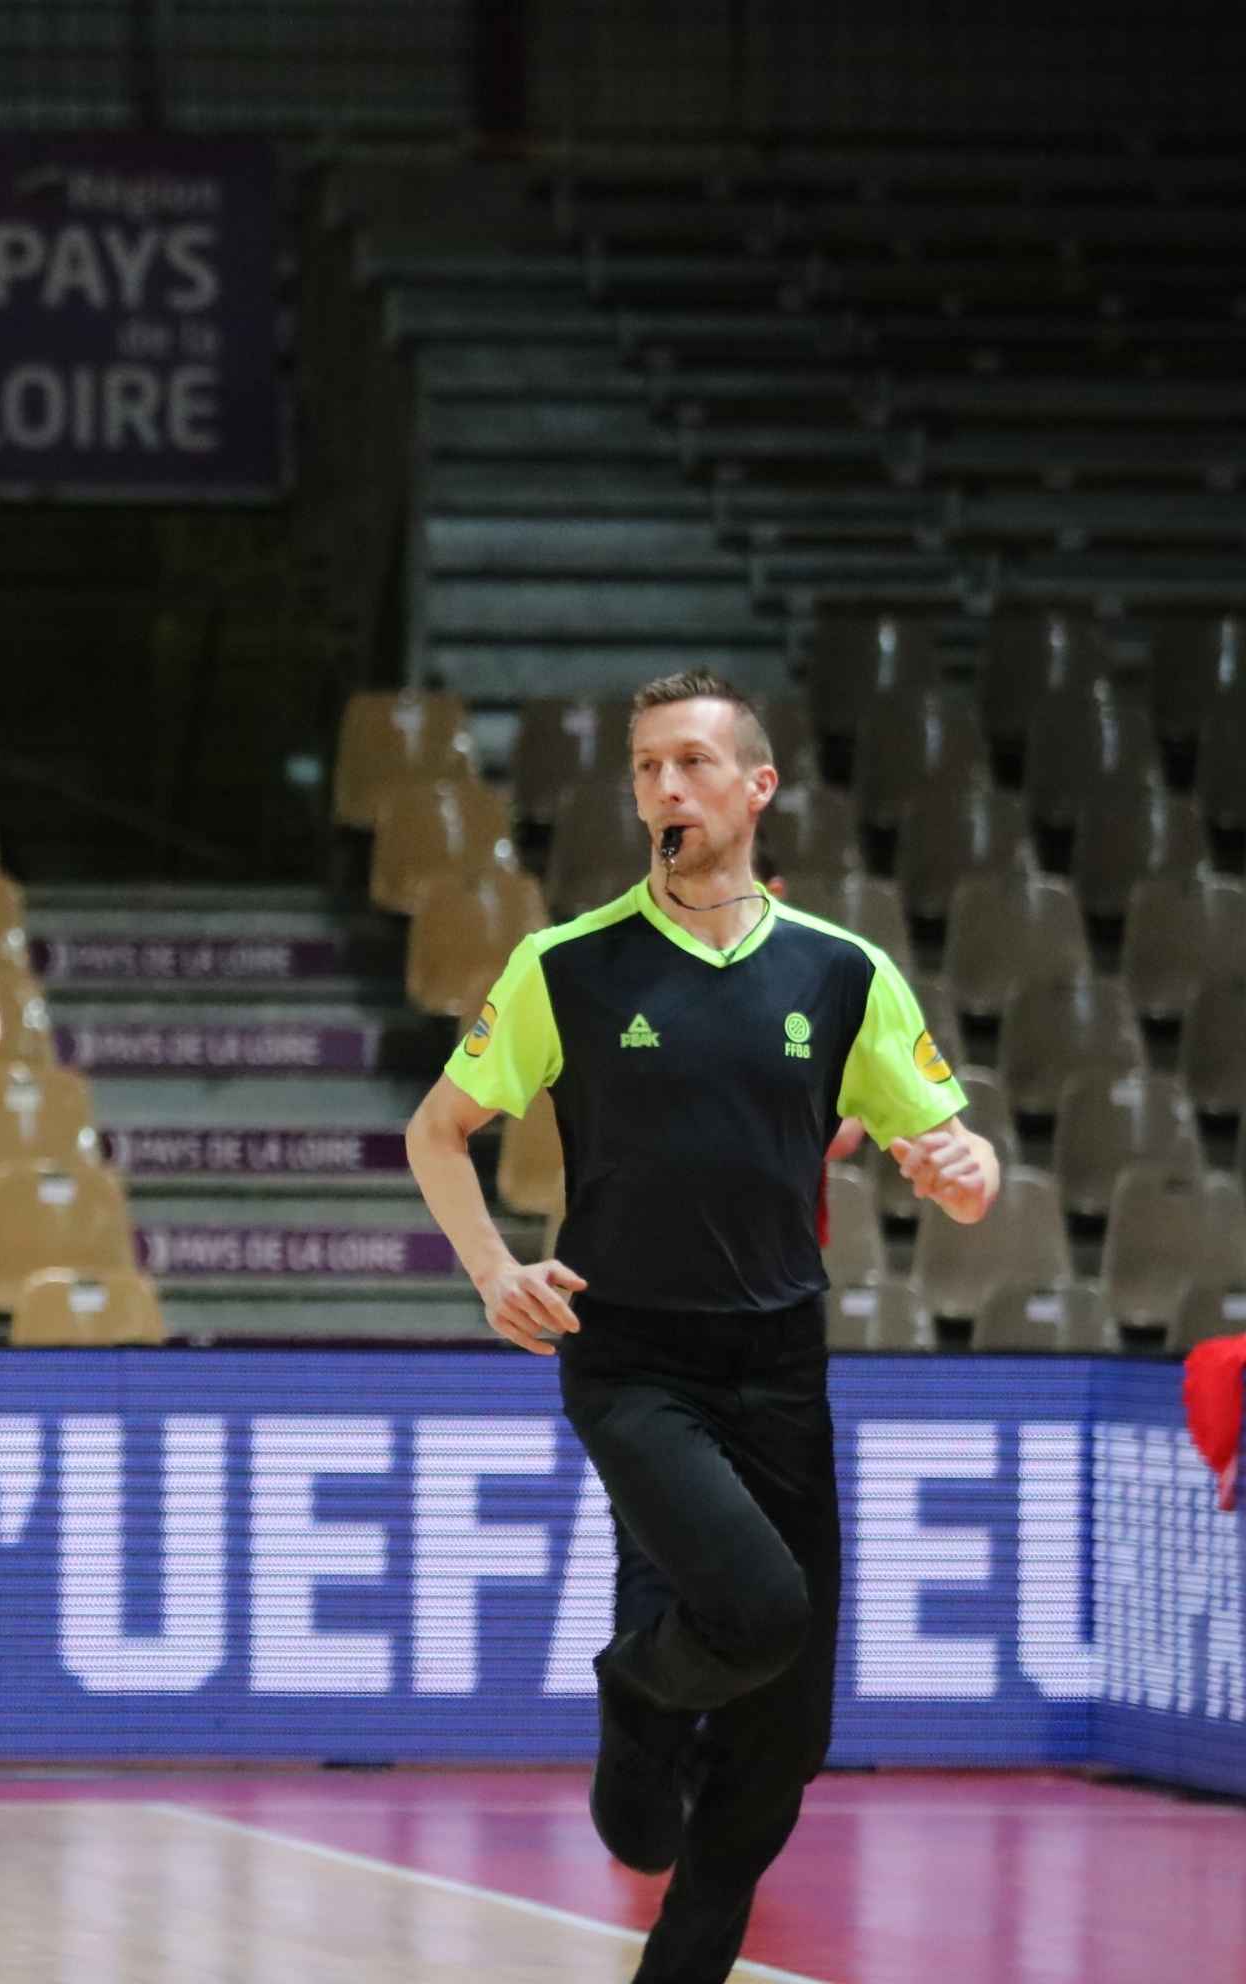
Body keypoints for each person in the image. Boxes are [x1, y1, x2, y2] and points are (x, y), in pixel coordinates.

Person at [403, 669, 998, 1984]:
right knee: (757, 1605)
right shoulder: (567, 964)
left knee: (789, 1742)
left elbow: (949, 1148)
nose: (665, 791)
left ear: (755, 788)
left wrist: (970, 1171)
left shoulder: (844, 972)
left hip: (781, 1365)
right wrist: (493, 1267)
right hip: (632, 1363)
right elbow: (438, 1130)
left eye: (689, 765)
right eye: (646, 771)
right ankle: (638, 1689)